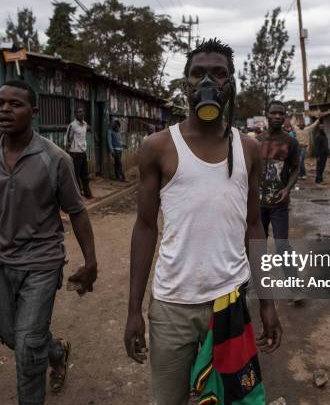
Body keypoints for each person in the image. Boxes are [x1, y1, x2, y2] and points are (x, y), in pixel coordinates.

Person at [124, 39, 282, 405]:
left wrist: (268, 302)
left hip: (229, 302)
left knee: (229, 399)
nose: (208, 82)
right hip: (172, 305)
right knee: (170, 400)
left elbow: (254, 228)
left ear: (231, 85)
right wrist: (133, 310)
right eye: (198, 74)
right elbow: (145, 227)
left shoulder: (248, 149)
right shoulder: (158, 147)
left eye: (219, 74)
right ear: (185, 86)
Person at [0, 80, 99, 404]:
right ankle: (56, 350)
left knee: (26, 349)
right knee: (12, 337)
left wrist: (91, 261)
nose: (5, 109)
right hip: (4, 263)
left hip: (43, 264)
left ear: (33, 112)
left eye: (15, 104)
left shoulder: (55, 158)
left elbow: (77, 212)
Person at [258, 100, 299, 255]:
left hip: (279, 204)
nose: (277, 116)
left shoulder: (291, 142)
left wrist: (287, 189)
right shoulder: (256, 141)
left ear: (285, 117)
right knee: (258, 246)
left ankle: (291, 279)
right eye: (273, 113)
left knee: (282, 246)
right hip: (258, 205)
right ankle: (259, 278)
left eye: (281, 113)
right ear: (266, 115)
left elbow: (295, 169)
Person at [66, 107, 93, 198]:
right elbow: (67, 139)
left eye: (81, 112)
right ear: (75, 114)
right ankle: (77, 194)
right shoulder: (72, 125)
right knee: (75, 174)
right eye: (78, 112)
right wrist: (69, 151)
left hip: (83, 152)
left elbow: (89, 129)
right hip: (75, 153)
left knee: (85, 174)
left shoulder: (84, 124)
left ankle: (87, 193)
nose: (80, 114)